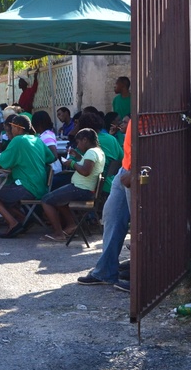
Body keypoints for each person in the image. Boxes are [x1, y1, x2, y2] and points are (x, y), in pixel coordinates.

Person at [0, 115, 53, 236]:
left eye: (12, 127)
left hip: (26, 187)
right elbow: (50, 157)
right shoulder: (37, 139)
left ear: (18, 128)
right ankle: (23, 218)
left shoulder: (18, 140)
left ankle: (12, 223)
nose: (10, 130)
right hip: (39, 187)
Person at [77, 119, 133, 286]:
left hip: (135, 171)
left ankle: (141, 278)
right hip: (125, 169)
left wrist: (135, 170)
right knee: (111, 218)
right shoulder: (139, 103)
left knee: (139, 226)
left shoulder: (149, 103)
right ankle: (105, 271)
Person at [41, 128, 105, 241]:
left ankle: (58, 233)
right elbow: (87, 164)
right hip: (85, 189)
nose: (78, 145)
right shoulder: (98, 151)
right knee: (59, 200)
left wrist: (72, 163)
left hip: (81, 189)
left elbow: (85, 171)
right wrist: (78, 157)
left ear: (85, 140)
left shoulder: (91, 152)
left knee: (46, 200)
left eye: (79, 142)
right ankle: (71, 225)